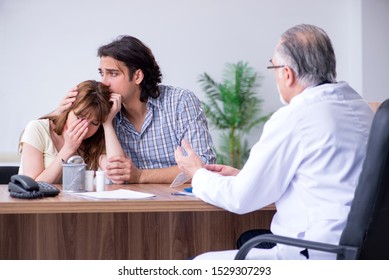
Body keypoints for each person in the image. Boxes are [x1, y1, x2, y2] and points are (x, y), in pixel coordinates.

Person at [174, 24, 374, 260]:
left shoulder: (295, 117)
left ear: (287, 73)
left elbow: (239, 199)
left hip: (316, 252)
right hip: (362, 249)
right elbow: (326, 180)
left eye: (273, 67)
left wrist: (197, 174)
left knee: (197, 264)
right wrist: (244, 176)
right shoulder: (360, 108)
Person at [57, 35, 215, 184]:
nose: (104, 83)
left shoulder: (180, 102)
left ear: (138, 76)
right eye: (102, 73)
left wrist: (140, 176)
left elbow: (202, 165)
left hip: (181, 205)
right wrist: (63, 111)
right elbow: (112, 170)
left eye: (113, 74)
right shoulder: (107, 113)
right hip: (133, 206)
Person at [19, 80, 124, 184]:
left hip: (72, 201)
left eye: (94, 123)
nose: (85, 127)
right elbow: (34, 186)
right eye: (80, 117)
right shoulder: (37, 129)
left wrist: (108, 123)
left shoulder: (94, 140)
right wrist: (68, 148)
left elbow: (118, 176)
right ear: (68, 109)